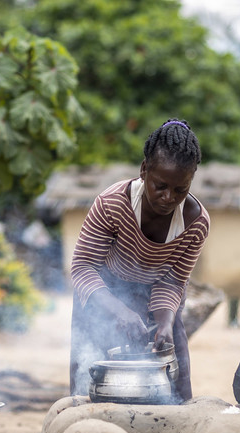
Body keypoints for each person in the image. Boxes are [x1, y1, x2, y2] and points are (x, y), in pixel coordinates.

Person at [69, 118, 209, 402]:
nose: (169, 197)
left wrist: (165, 324)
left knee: (174, 389)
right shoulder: (112, 204)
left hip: (156, 301)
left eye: (180, 189)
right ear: (144, 170)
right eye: (160, 185)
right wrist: (119, 310)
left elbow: (173, 283)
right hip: (103, 295)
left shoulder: (195, 223)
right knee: (92, 387)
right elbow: (82, 266)